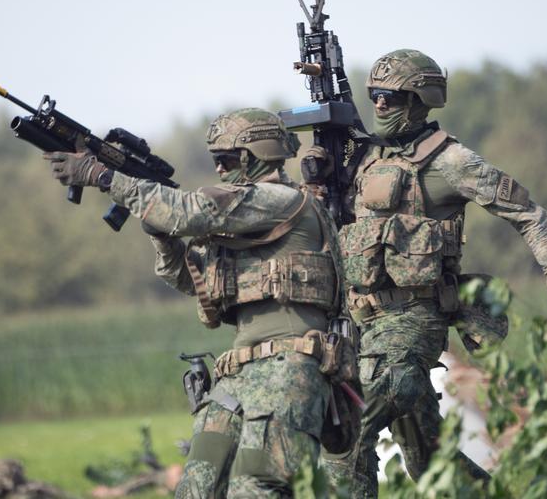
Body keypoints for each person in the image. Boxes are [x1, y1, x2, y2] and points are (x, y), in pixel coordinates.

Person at [314, 49, 547, 497]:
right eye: (374, 95)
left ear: (421, 100)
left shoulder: (451, 161)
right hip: (365, 324)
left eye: (391, 97)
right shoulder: (366, 158)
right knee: (431, 461)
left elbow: (528, 214)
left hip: (412, 325)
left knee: (349, 433)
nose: (379, 105)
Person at [45, 108, 348, 497]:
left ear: (253, 156)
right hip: (238, 373)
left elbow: (190, 211)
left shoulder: (280, 200)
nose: (219, 170)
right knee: (195, 489)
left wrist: (103, 177)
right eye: (215, 161)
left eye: (225, 160)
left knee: (255, 488)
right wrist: (162, 236)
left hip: (289, 369)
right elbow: (192, 280)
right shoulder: (243, 221)